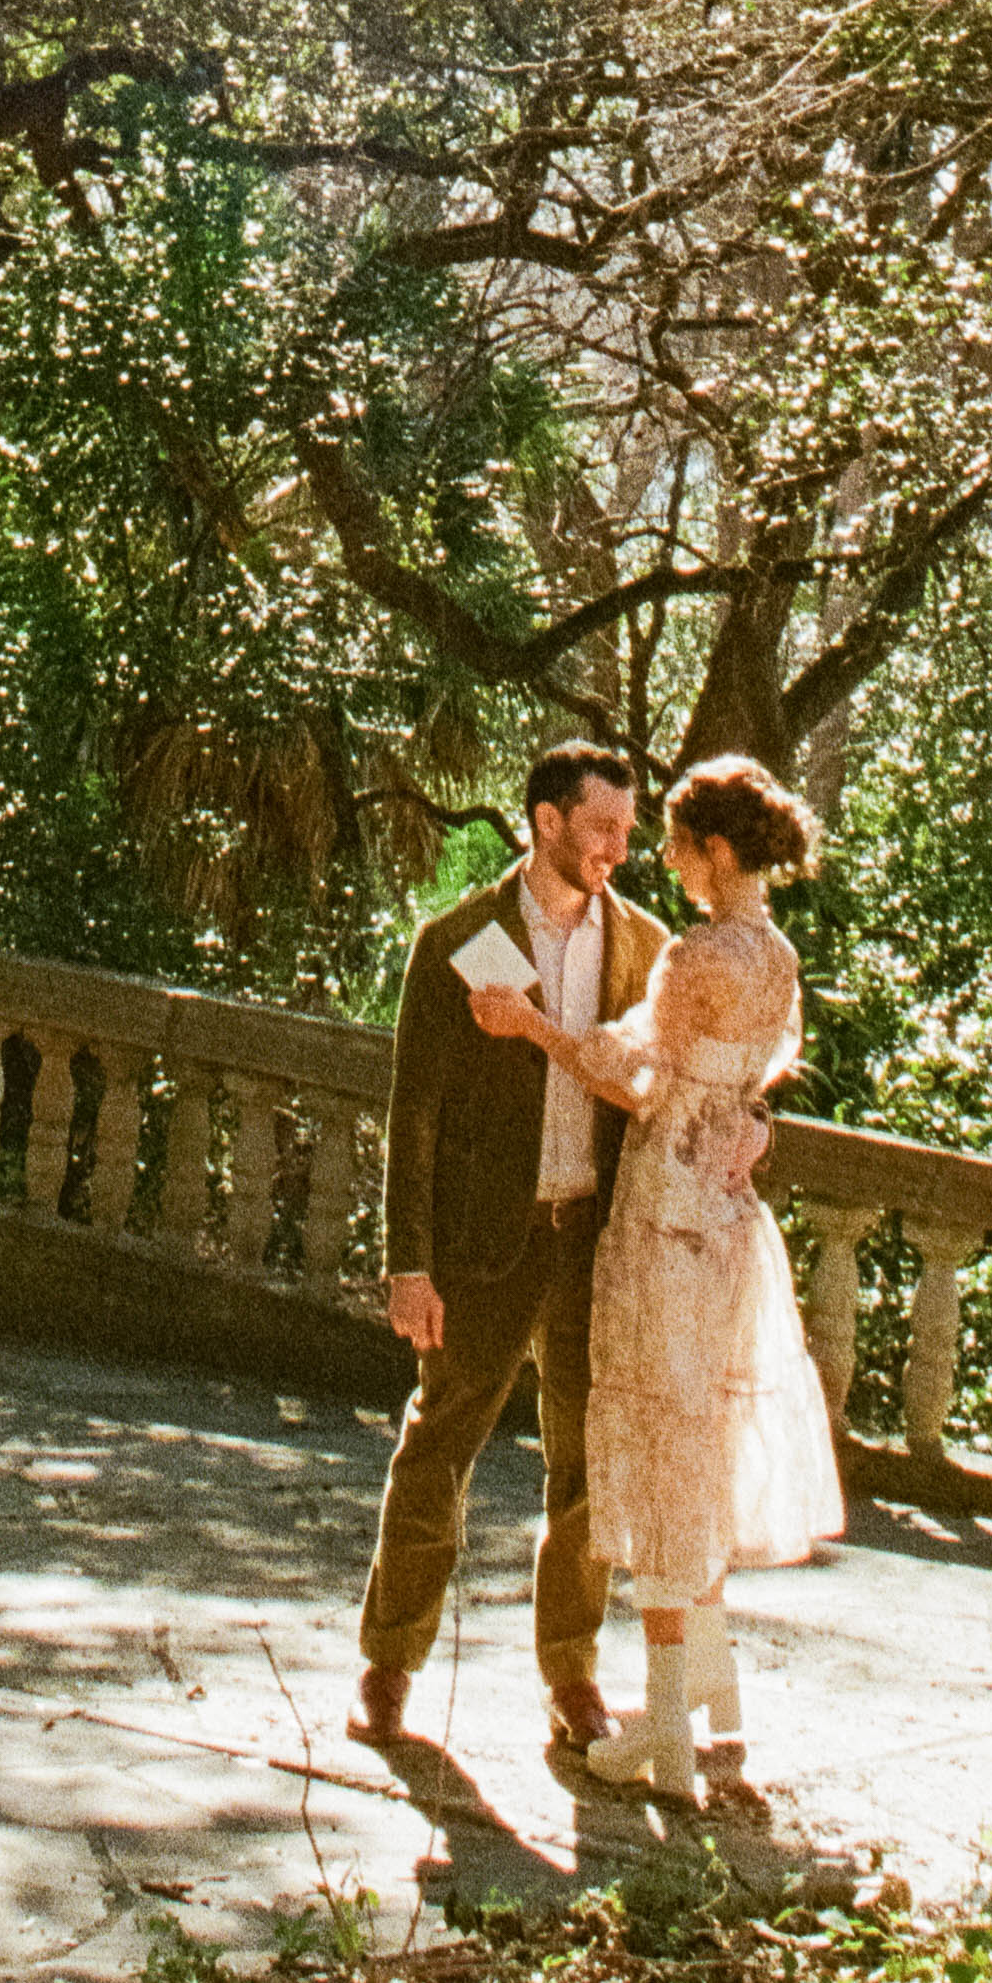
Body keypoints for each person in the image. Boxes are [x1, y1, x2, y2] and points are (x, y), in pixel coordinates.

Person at [462, 749, 843, 1806]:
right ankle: (702, 1702)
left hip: (665, 1216)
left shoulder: (693, 957)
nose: (663, 862)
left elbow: (637, 1079)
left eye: (673, 844)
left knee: (661, 1444)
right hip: (724, 1218)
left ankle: (666, 1735)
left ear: (713, 851)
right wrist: (746, 1124)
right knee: (700, 1437)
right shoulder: (773, 955)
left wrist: (532, 1025)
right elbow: (750, 1077)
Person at [355, 737, 662, 1761]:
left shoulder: (646, 951)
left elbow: (665, 1095)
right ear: (545, 822)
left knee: (584, 1469)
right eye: (603, 827)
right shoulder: (459, 938)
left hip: (593, 1246)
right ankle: (388, 1665)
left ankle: (571, 1675)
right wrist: (409, 1265)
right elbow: (415, 1117)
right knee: (438, 1445)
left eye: (627, 828)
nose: (621, 846)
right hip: (483, 1247)